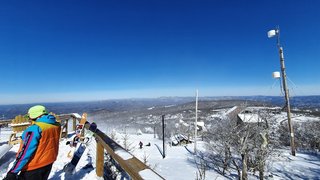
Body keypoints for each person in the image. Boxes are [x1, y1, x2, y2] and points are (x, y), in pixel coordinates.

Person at [4, 105, 61, 180]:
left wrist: (13, 171)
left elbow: (25, 152)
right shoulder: (56, 125)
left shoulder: (34, 129)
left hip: (33, 167)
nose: (30, 119)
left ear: (35, 116)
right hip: (49, 162)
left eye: (30, 117)